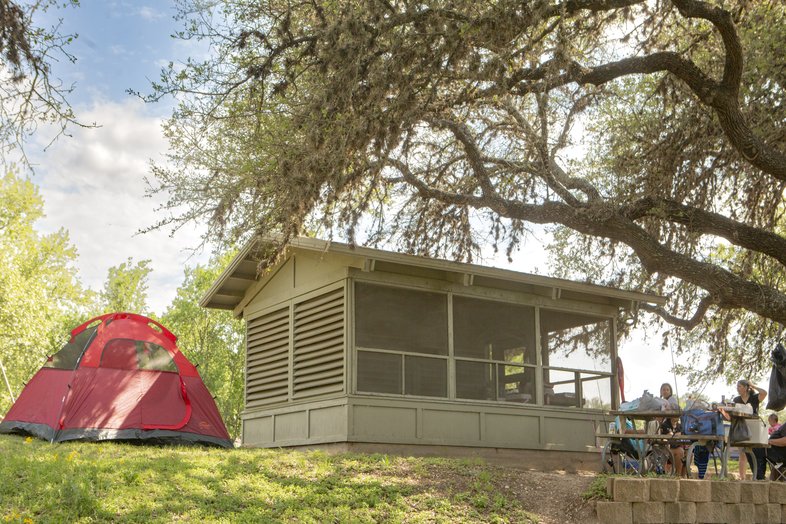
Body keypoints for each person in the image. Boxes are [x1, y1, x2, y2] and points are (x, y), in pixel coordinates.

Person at [733, 379, 767, 480]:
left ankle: (757, 475)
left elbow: (764, 393)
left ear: (746, 388)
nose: (737, 388)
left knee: (755, 452)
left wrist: (754, 386)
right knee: (742, 453)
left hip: (754, 427)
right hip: (742, 427)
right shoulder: (736, 399)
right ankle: (742, 477)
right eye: (737, 386)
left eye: (739, 386)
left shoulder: (754, 397)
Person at [658, 382, 685, 476]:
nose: (665, 391)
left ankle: (679, 475)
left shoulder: (671, 400)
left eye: (667, 389)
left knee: (680, 452)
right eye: (663, 389)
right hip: (665, 443)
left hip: (674, 445)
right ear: (660, 391)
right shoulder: (660, 402)